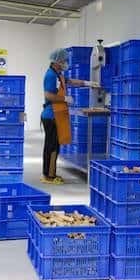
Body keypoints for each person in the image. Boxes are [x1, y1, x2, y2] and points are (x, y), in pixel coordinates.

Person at [40, 48, 88, 184]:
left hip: (56, 114)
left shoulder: (57, 74)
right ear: (57, 61)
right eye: (63, 61)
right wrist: (65, 99)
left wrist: (86, 83)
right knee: (52, 146)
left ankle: (50, 173)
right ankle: (49, 176)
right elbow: (48, 95)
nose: (65, 63)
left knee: (54, 145)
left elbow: (70, 81)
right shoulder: (50, 75)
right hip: (50, 115)